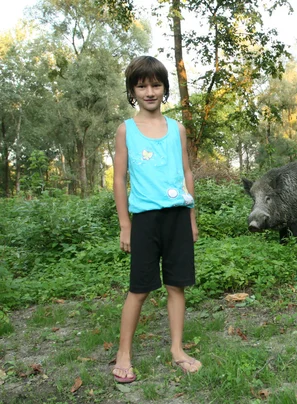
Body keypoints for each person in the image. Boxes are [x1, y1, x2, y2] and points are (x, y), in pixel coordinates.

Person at [111, 55, 201, 383]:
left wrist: (191, 218)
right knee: (139, 288)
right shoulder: (126, 130)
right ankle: (124, 354)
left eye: (156, 84)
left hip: (178, 217)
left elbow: (187, 173)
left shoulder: (177, 129)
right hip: (145, 220)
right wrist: (125, 224)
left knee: (177, 285)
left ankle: (177, 350)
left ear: (164, 89)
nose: (149, 91)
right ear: (132, 91)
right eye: (142, 85)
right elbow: (119, 179)